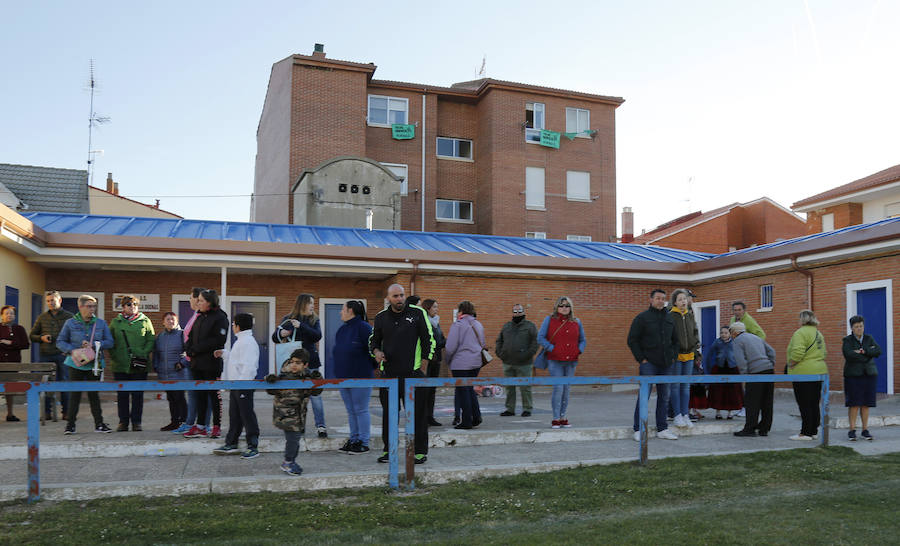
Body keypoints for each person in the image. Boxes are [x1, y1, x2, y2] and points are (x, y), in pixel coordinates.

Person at [368, 283, 434, 464]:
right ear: (388, 298)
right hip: (389, 376)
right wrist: (376, 352)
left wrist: (424, 366)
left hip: (413, 375)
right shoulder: (381, 317)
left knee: (418, 415)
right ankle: (389, 451)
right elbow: (373, 341)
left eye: (402, 295)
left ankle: (419, 452)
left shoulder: (418, 313)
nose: (399, 299)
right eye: (395, 296)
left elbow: (429, 339)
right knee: (390, 415)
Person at [56, 295, 114, 434]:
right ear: (80, 307)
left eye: (94, 306)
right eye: (89, 306)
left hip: (94, 363)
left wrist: (94, 344)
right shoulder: (70, 323)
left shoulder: (101, 323)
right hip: (75, 363)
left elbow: (110, 342)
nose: (92, 309)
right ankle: (70, 425)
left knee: (93, 394)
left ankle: (99, 424)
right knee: (75, 394)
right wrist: (73, 350)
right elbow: (60, 342)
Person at [272, 293, 327, 438]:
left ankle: (321, 426)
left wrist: (301, 326)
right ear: (302, 304)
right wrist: (282, 333)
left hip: (311, 363)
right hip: (294, 365)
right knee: (297, 397)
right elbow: (274, 337)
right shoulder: (288, 319)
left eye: (314, 304)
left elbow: (317, 336)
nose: (313, 306)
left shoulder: (314, 319)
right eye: (311, 303)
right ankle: (298, 425)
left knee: (315, 396)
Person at [627, 289, 679, 441]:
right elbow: (632, 340)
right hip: (648, 363)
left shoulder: (670, 319)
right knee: (644, 396)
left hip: (667, 364)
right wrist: (641, 359)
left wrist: (673, 357)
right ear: (650, 300)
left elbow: (676, 341)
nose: (660, 301)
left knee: (664, 397)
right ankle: (638, 429)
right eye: (657, 298)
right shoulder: (642, 318)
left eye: (663, 298)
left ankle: (662, 429)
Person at [265, 349, 322, 476]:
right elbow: (270, 389)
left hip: (299, 415)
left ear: (305, 365)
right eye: (292, 362)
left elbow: (317, 392)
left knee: (295, 439)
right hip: (286, 415)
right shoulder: (284, 375)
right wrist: (270, 380)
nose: (294, 365)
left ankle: (290, 461)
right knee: (293, 439)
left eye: (298, 363)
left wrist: (318, 379)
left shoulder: (307, 377)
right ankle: (288, 462)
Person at [213, 313, 261, 459]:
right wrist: (224, 354)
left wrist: (242, 384)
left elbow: (249, 366)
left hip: (243, 385)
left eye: (233, 324)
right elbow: (237, 361)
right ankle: (231, 443)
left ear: (238, 326)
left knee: (247, 415)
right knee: (235, 415)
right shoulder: (241, 340)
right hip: (236, 385)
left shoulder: (248, 342)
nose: (232, 327)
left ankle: (253, 446)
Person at [183, 289, 229, 439]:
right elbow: (190, 336)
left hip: (211, 364)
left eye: (201, 300)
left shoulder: (220, 317)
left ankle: (216, 426)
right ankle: (200, 426)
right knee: (199, 395)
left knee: (213, 395)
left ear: (209, 302)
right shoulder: (200, 316)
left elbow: (217, 340)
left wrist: (195, 350)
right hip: (197, 363)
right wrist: (188, 349)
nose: (198, 303)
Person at [332, 300, 374, 454]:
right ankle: (354, 439)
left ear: (350, 310)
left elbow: (374, 350)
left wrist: (367, 368)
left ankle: (364, 442)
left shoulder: (364, 328)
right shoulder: (342, 330)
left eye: (342, 309)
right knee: (351, 411)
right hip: (344, 378)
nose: (340, 312)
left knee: (361, 410)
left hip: (361, 377)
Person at [108, 295, 155, 432]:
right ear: (123, 307)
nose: (132, 306)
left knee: (137, 395)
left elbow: (150, 339)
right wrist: (115, 356)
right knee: (122, 395)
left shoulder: (145, 321)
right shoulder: (116, 322)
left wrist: (143, 353)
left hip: (139, 363)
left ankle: (136, 422)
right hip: (120, 364)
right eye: (129, 304)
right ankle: (123, 422)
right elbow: (110, 342)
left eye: (135, 304)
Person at [538, 296, 586, 429]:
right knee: (558, 388)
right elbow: (540, 337)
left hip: (571, 361)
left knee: (566, 389)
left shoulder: (577, 322)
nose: (564, 308)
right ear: (556, 307)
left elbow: (583, 340)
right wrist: (552, 348)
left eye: (567, 305)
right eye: (561, 305)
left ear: (571, 307)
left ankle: (563, 417)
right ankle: (555, 418)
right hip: (555, 360)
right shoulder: (549, 320)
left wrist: (578, 350)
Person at [172, 287, 215, 435]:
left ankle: (203, 424)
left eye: (191, 297)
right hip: (190, 359)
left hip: (198, 361)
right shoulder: (195, 315)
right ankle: (191, 423)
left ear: (198, 300)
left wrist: (190, 353)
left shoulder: (202, 316)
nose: (189, 300)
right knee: (192, 394)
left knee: (203, 394)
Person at [29, 290, 74, 420]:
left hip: (63, 354)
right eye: (48, 301)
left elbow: (74, 336)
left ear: (59, 300)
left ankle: (66, 412)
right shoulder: (42, 317)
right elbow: (32, 336)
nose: (50, 303)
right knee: (46, 383)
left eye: (52, 300)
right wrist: (41, 338)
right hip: (46, 355)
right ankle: (47, 412)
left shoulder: (69, 317)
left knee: (64, 382)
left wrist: (67, 348)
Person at [729, 322, 776, 437]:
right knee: (767, 401)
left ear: (734, 332)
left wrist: (745, 375)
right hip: (769, 370)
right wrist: (770, 364)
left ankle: (749, 429)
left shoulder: (737, 341)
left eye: (731, 333)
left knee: (752, 402)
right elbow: (772, 352)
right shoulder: (756, 337)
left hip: (755, 373)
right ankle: (764, 429)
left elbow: (741, 360)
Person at [786, 309, 827, 441]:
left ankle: (805, 432)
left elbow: (798, 352)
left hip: (803, 372)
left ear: (802, 319)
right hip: (819, 371)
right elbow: (824, 352)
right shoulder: (818, 333)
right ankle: (813, 430)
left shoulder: (800, 333)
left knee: (804, 403)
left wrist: (791, 364)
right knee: (814, 402)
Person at [445, 301, 486, 430]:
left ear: (460, 311)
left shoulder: (458, 325)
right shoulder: (478, 324)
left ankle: (467, 421)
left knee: (463, 391)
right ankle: (476, 416)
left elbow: (450, 347)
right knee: (470, 389)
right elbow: (483, 343)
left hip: (460, 364)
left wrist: (447, 360)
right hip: (476, 363)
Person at [842, 315, 882, 441]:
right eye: (856, 327)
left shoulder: (869, 338)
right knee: (854, 404)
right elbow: (849, 355)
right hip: (853, 376)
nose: (859, 329)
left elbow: (878, 351)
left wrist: (864, 351)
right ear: (852, 328)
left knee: (866, 404)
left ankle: (865, 430)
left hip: (869, 375)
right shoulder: (847, 340)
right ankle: (852, 430)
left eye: (861, 326)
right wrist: (867, 355)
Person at [495, 303, 538, 417]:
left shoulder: (530, 326)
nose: (517, 313)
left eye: (519, 311)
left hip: (524, 363)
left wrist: (527, 355)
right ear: (512, 313)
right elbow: (499, 340)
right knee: (509, 388)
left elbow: (535, 342)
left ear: (524, 312)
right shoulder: (507, 326)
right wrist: (500, 353)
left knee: (525, 388)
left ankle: (527, 408)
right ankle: (510, 409)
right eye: (515, 311)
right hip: (508, 362)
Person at [153, 312, 190, 431]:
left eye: (173, 319)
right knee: (171, 398)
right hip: (165, 374)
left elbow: (189, 353)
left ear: (177, 321)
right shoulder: (160, 337)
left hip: (178, 372)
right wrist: (156, 366)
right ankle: (174, 422)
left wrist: (182, 363)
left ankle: (184, 422)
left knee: (179, 397)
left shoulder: (182, 334)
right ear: (163, 322)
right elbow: (156, 354)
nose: (170, 321)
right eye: (168, 319)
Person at [669, 289, 699, 429]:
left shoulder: (690, 315)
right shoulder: (670, 316)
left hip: (690, 356)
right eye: (680, 299)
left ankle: (685, 414)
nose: (683, 301)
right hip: (676, 357)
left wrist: (695, 349)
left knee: (686, 387)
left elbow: (695, 333)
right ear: (675, 302)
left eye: (685, 299)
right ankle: (677, 415)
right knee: (675, 386)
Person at [706, 326, 743, 419]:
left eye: (726, 333)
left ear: (730, 334)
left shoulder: (734, 342)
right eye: (722, 333)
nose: (723, 335)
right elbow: (710, 355)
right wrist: (709, 368)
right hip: (719, 368)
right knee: (718, 391)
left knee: (731, 391)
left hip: (732, 368)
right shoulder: (717, 342)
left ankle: (730, 412)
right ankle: (718, 412)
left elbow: (740, 354)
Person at [1, 305, 30, 422]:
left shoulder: (19, 329)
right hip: (0, 363)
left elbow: (25, 344)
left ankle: (10, 413)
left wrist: (10, 343)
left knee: (10, 389)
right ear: (2, 315)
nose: (9, 315)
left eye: (11, 313)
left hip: (13, 364)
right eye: (7, 313)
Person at [420, 299, 445, 427]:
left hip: (437, 360)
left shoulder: (437, 323)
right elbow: (427, 342)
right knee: (425, 389)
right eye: (434, 307)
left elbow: (441, 339)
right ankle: (423, 417)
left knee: (432, 389)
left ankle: (430, 416)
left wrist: (444, 342)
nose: (436, 309)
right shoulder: (424, 322)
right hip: (427, 360)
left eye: (437, 307)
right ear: (428, 308)